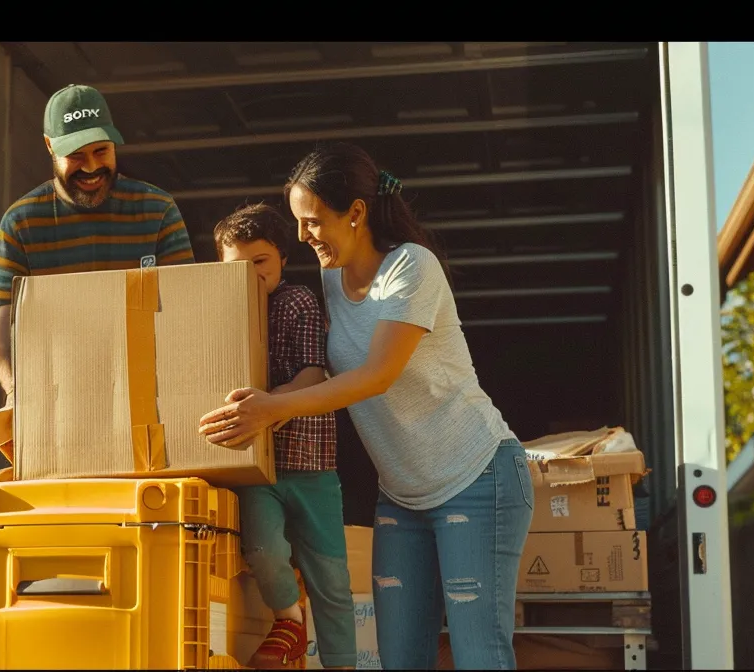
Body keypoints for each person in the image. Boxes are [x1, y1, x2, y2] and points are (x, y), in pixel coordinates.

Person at [198, 142, 534, 669]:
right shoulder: (332, 279)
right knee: (399, 659)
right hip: (402, 495)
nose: (304, 236)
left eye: (312, 222)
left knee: (479, 656)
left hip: (476, 478)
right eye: (298, 223)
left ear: (356, 213)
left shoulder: (411, 268)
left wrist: (273, 409)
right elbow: (323, 369)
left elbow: (375, 375)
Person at [0, 84, 196, 406]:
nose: (91, 167)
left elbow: (187, 313)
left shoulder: (158, 209)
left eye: (101, 151)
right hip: (55, 400)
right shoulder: (20, 222)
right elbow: (0, 338)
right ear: (49, 147)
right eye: (76, 156)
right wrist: (15, 393)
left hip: (147, 394)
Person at [211, 203, 355, 670]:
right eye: (237, 266)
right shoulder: (219, 314)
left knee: (331, 580)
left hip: (309, 461)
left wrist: (268, 409)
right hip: (254, 466)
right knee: (262, 550)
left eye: (260, 263)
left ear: (281, 260)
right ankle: (290, 620)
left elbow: (315, 373)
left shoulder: (297, 302)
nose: (251, 275)